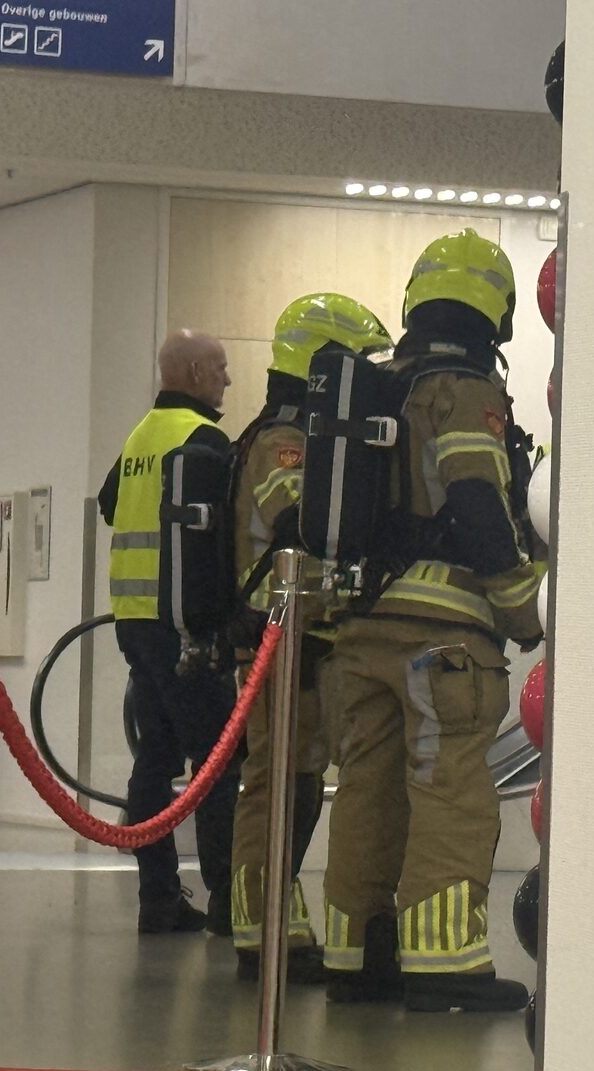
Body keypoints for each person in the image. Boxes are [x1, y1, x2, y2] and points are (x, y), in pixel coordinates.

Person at [321, 230, 544, 1012]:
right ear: (499, 309)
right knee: (447, 789)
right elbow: (478, 504)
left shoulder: (380, 387)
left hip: (360, 631)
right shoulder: (465, 390)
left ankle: (355, 958)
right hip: (443, 641)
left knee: (366, 791)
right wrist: (526, 604)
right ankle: (444, 967)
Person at [228, 293, 393, 984]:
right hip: (280, 638)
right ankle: (258, 930)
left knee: (293, 784)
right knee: (275, 785)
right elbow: (302, 517)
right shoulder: (282, 439)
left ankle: (276, 927)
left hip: (305, 637)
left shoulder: (290, 432)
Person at [98, 330, 239, 935]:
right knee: (219, 762)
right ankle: (231, 902)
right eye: (221, 368)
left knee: (154, 759)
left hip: (135, 622)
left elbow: (109, 503)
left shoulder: (139, 437)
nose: (228, 380)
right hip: (184, 625)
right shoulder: (202, 439)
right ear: (193, 370)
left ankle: (157, 894)